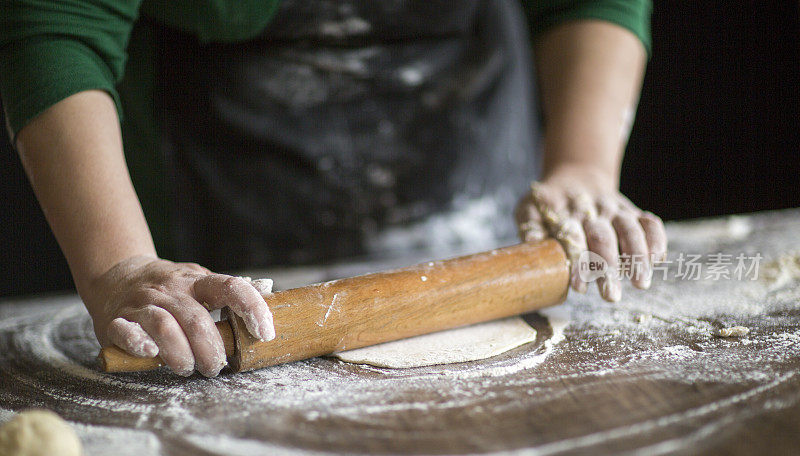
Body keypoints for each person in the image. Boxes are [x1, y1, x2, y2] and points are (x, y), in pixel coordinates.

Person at [1, 1, 667, 377]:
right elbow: (58, 23)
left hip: (474, 171)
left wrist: (583, 165)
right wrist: (121, 263)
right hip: (221, 227)